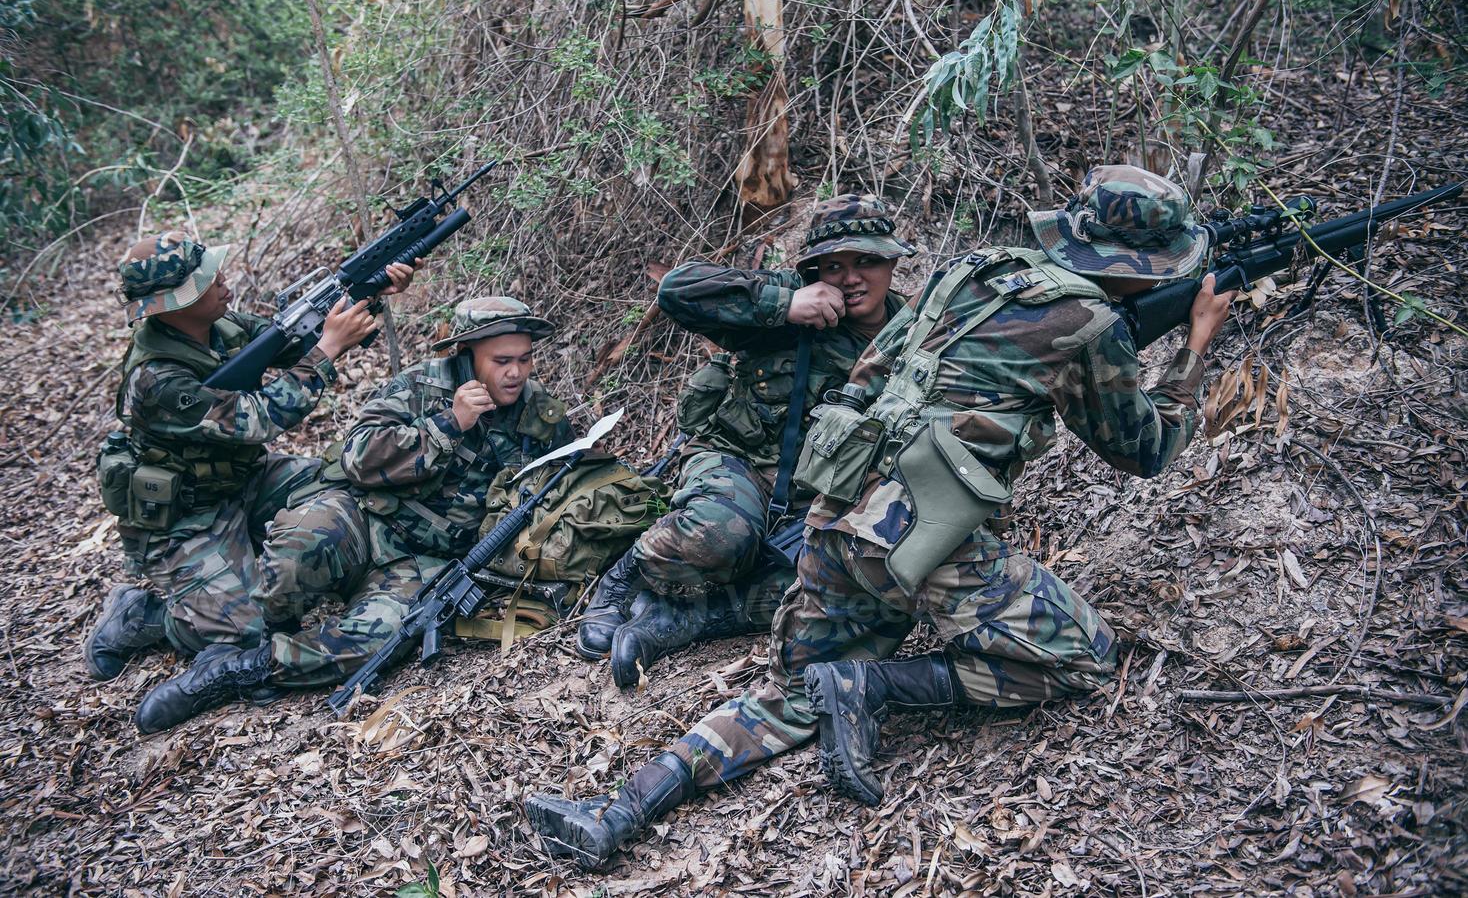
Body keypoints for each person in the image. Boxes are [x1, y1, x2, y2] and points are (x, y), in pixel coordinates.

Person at [527, 165, 1239, 869]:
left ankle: (612, 813)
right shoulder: (1090, 322)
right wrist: (1196, 347)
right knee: (1086, 657)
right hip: (922, 542)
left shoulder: (972, 270)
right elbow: (1146, 450)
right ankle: (873, 686)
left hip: (836, 521)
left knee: (785, 699)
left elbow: (871, 373)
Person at [133, 297, 574, 732]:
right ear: (467, 353)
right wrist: (446, 425)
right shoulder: (419, 387)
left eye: (525, 359)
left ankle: (243, 668)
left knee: (384, 639)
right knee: (293, 556)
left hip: (423, 562)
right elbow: (357, 458)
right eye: (501, 360)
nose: (515, 373)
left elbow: (569, 479)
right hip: (364, 519)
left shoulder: (539, 414)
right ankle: (177, 621)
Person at [577, 194, 913, 688]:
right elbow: (676, 289)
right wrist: (785, 305)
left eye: (868, 261)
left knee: (868, 583)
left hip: (823, 499)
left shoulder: (914, 336)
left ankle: (690, 618)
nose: (851, 278)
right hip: (740, 463)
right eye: (834, 265)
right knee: (719, 536)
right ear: (814, 269)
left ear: (891, 262)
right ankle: (626, 578)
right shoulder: (789, 298)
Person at [85, 232, 416, 682]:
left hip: (243, 477)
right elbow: (256, 419)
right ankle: (143, 616)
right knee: (245, 632)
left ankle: (275, 559)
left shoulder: (219, 325)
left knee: (345, 477)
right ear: (177, 304)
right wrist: (328, 350)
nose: (222, 281)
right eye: (206, 281)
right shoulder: (157, 378)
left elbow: (297, 343)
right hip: (185, 514)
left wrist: (368, 296)